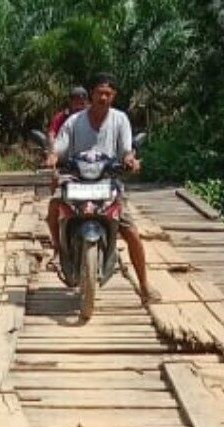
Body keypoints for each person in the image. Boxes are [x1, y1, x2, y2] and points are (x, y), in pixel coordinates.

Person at [44, 72, 160, 303]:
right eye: (99, 93)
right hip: (76, 180)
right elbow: (60, 146)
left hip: (107, 181)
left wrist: (130, 160)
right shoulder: (74, 121)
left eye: (108, 93)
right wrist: (53, 156)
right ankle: (58, 248)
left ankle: (144, 285)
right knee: (55, 205)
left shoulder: (120, 119)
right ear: (91, 94)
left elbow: (126, 149)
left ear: (113, 95)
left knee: (131, 231)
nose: (103, 98)